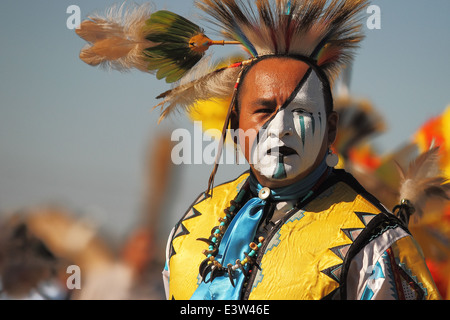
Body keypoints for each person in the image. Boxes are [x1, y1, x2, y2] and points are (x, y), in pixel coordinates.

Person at [75, 0, 444, 300]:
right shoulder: (192, 228)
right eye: (264, 110)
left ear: (330, 128)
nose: (280, 129)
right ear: (235, 125)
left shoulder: (375, 243)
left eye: (300, 112)